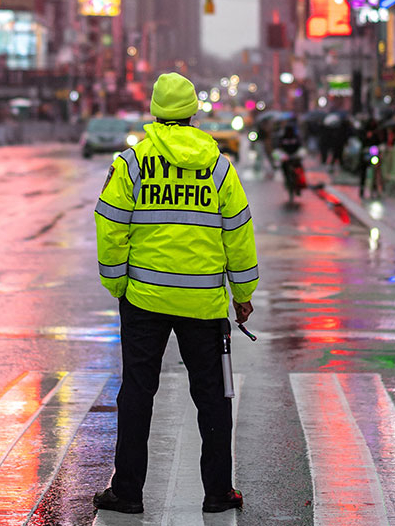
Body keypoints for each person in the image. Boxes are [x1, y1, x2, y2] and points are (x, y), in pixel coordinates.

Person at [94, 73, 257, 515]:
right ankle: (218, 492)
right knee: (213, 397)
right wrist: (242, 294)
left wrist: (117, 284)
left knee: (137, 393)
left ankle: (127, 492)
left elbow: (110, 226)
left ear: (154, 111)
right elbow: (238, 233)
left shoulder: (131, 163)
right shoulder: (219, 166)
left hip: (144, 301)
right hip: (203, 303)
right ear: (191, 113)